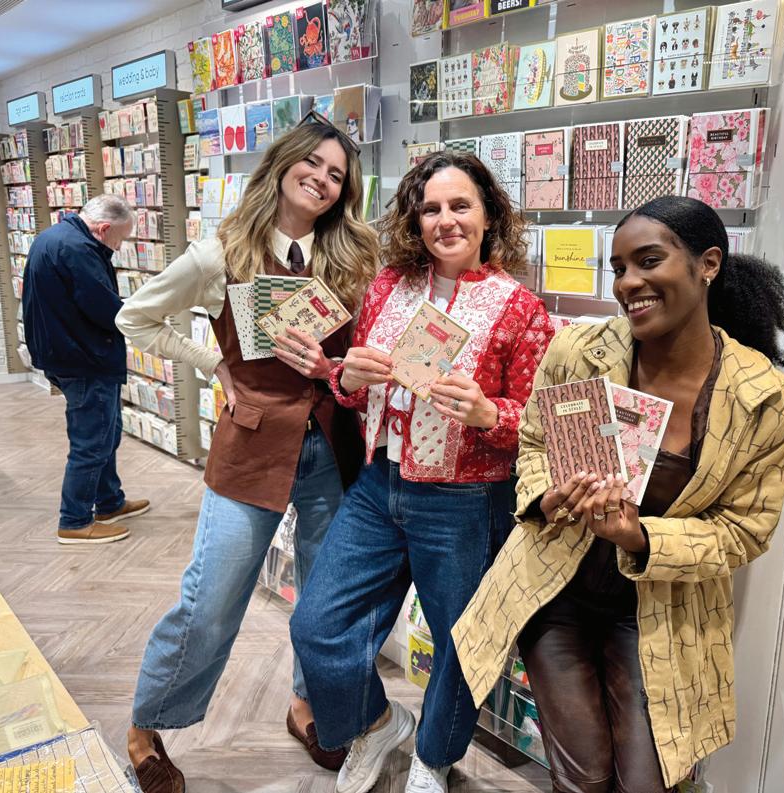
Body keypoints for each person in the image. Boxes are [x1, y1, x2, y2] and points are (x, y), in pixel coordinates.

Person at [452, 196, 784, 792]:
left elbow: (744, 531)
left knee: (646, 783)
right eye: (618, 268)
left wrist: (641, 537)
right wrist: (548, 496)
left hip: (661, 610)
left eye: (648, 261)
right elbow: (535, 441)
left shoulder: (767, 401)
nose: (628, 283)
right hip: (555, 589)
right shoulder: (579, 350)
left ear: (708, 264)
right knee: (583, 778)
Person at [115, 116, 379, 793]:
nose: (321, 179)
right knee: (210, 598)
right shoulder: (220, 255)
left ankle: (305, 704)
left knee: (324, 601)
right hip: (251, 446)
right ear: (284, 164)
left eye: (336, 175)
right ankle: (146, 726)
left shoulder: (352, 257)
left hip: (334, 449)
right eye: (313, 163)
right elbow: (135, 317)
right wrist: (213, 364)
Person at [290, 151, 555, 793]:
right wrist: (346, 378)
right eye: (431, 208)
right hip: (379, 487)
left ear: (489, 215)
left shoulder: (520, 309)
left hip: (466, 500)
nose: (445, 220)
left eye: (460, 205)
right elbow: (355, 390)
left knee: (459, 645)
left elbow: (540, 422)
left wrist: (489, 413)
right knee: (317, 625)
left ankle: (434, 759)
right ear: (416, 220)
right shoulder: (389, 286)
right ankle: (375, 724)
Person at [22, 194, 149, 545]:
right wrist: (145, 312)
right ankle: (75, 520)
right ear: (104, 228)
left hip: (70, 352)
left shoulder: (57, 237)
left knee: (107, 431)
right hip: (83, 357)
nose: (119, 247)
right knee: (92, 442)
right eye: (120, 239)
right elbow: (106, 310)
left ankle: (109, 502)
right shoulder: (77, 250)